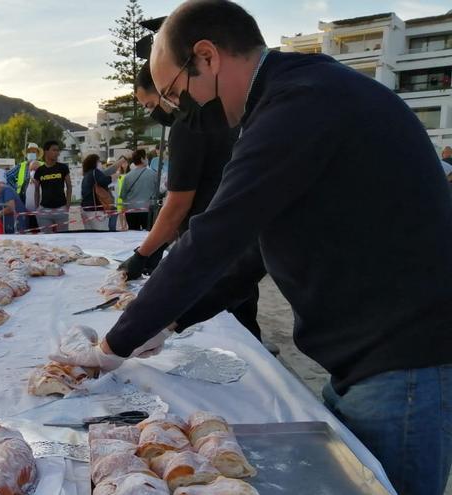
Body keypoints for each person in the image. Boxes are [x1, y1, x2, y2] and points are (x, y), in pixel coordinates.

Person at [53, 2, 452, 494]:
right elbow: (249, 251)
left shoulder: (302, 103)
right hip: (366, 355)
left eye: (179, 92)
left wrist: (116, 344)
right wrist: (169, 319)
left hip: (403, 358)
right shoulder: (295, 96)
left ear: (207, 57)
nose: (183, 110)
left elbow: (216, 234)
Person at [122, 61, 263, 341]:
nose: (154, 113)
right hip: (237, 243)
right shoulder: (223, 114)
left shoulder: (187, 126)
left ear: (165, 88)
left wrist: (143, 253)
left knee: (221, 330)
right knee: (243, 324)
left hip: (211, 246)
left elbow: (178, 204)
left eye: (151, 105)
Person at [33, 140, 72, 233]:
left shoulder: (63, 168)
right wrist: (37, 208)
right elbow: (36, 190)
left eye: (58, 151)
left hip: (61, 209)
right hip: (44, 210)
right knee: (46, 239)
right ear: (46, 151)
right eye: (54, 150)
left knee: (63, 237)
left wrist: (68, 205)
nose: (57, 153)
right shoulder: (39, 170)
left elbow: (69, 186)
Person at [119, 149, 157, 231]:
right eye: (146, 157)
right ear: (142, 159)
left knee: (133, 235)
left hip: (131, 211)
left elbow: (123, 196)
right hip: (147, 210)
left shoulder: (127, 176)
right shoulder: (153, 174)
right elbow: (159, 191)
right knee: (147, 235)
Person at [80, 154, 114, 231]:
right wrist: (112, 177)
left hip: (85, 209)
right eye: (99, 161)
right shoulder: (95, 172)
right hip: (96, 210)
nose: (100, 163)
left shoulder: (86, 174)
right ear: (94, 163)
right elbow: (104, 181)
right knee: (102, 235)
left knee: (90, 235)